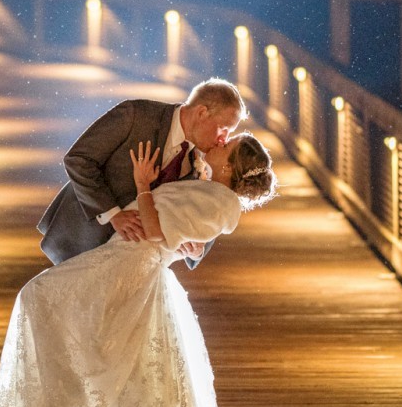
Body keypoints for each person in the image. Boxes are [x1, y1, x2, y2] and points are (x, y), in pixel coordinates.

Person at [0, 130, 277, 407]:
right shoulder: (209, 189)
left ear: (231, 166)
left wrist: (143, 186)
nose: (219, 144)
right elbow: (191, 239)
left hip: (129, 264)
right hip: (124, 258)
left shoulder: (220, 201)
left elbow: (157, 232)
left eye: (227, 147)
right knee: (85, 337)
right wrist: (186, 241)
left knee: (43, 299)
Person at [36, 79, 247, 268]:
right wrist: (113, 214)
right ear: (201, 113)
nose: (223, 139)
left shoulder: (205, 159)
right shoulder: (135, 115)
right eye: (223, 128)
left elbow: (206, 209)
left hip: (134, 265)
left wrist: (196, 249)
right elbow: (79, 160)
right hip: (84, 240)